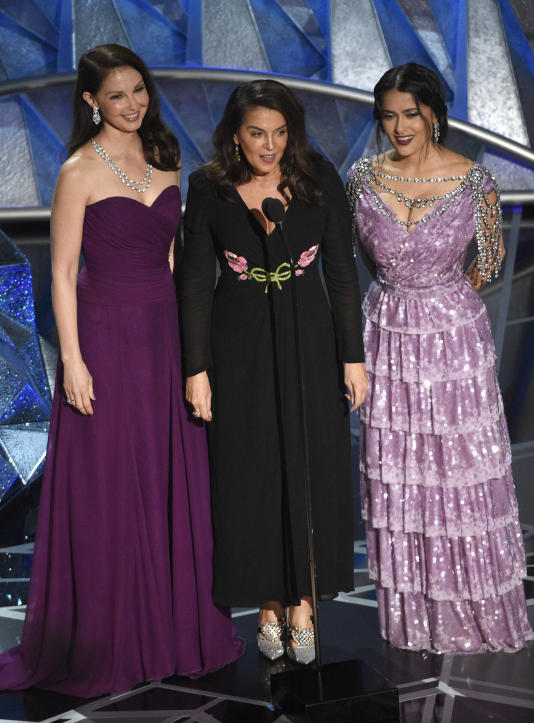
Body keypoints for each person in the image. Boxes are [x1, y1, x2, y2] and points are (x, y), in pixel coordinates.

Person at [0, 44, 243, 698]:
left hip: (164, 334)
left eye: (138, 91)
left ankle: (173, 628)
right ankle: (110, 635)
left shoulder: (167, 158)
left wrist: (197, 345)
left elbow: (178, 262)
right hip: (103, 335)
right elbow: (61, 273)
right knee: (111, 483)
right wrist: (72, 360)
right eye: (117, 95)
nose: (132, 104)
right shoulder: (76, 171)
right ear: (92, 101)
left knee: (166, 475)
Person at [347, 63, 534, 654]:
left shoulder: (475, 181)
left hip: (453, 342)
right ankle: (413, 616)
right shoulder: (360, 179)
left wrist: (441, 299)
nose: (400, 126)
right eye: (389, 116)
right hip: (387, 335)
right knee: (400, 471)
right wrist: (401, 296)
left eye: (411, 113)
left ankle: (472, 607)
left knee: (456, 470)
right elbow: (353, 255)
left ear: (433, 111)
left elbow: (490, 257)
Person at [180, 80, 367, 664]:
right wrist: (197, 368)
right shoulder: (209, 188)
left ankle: (304, 604)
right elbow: (194, 285)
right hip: (238, 345)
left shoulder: (318, 178)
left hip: (308, 337)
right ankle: (266, 603)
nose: (270, 145)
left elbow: (340, 272)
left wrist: (352, 355)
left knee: (309, 465)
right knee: (252, 470)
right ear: (235, 134)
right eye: (257, 133)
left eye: (280, 132)